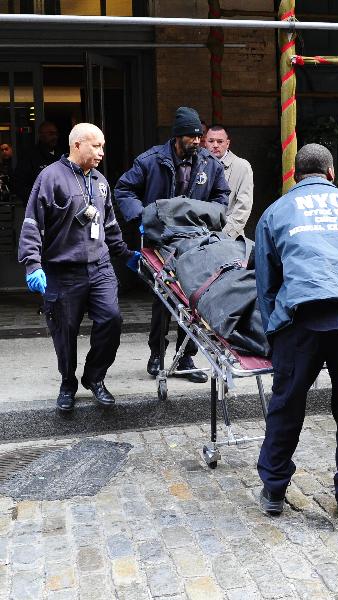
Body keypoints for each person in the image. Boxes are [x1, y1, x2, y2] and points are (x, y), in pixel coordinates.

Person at [255, 143, 338, 532]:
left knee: (286, 407)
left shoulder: (275, 212)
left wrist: (272, 336)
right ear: (331, 173)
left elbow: (266, 283)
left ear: (295, 175)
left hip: (302, 317)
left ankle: (274, 492)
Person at [18, 123, 135, 413]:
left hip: (100, 267)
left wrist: (125, 253)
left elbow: (109, 224)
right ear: (77, 145)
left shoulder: (100, 181)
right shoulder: (50, 177)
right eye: (96, 146)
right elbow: (33, 223)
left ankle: (95, 377)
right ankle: (67, 383)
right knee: (65, 333)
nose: (101, 152)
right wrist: (33, 263)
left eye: (103, 146)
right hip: (62, 271)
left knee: (111, 319)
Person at [115, 106, 230, 383]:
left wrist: (207, 220)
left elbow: (221, 198)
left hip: (195, 241)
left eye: (199, 136)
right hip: (159, 240)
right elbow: (123, 189)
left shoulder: (209, 164)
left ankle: (186, 356)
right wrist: (142, 217)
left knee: (193, 299)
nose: (198, 142)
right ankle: (157, 354)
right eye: (192, 137)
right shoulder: (151, 160)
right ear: (178, 136)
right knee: (163, 299)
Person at [205, 124, 253, 238]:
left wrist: (224, 235)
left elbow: (243, 207)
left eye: (220, 141)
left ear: (227, 143)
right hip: (200, 236)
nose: (215, 145)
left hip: (231, 236)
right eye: (211, 141)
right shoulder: (198, 164)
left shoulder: (242, 166)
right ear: (205, 142)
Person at [15, 121, 62, 204]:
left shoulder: (62, 156)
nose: (54, 137)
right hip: (38, 208)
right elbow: (20, 185)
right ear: (41, 135)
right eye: (51, 133)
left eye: (56, 134)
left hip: (61, 209)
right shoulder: (30, 157)